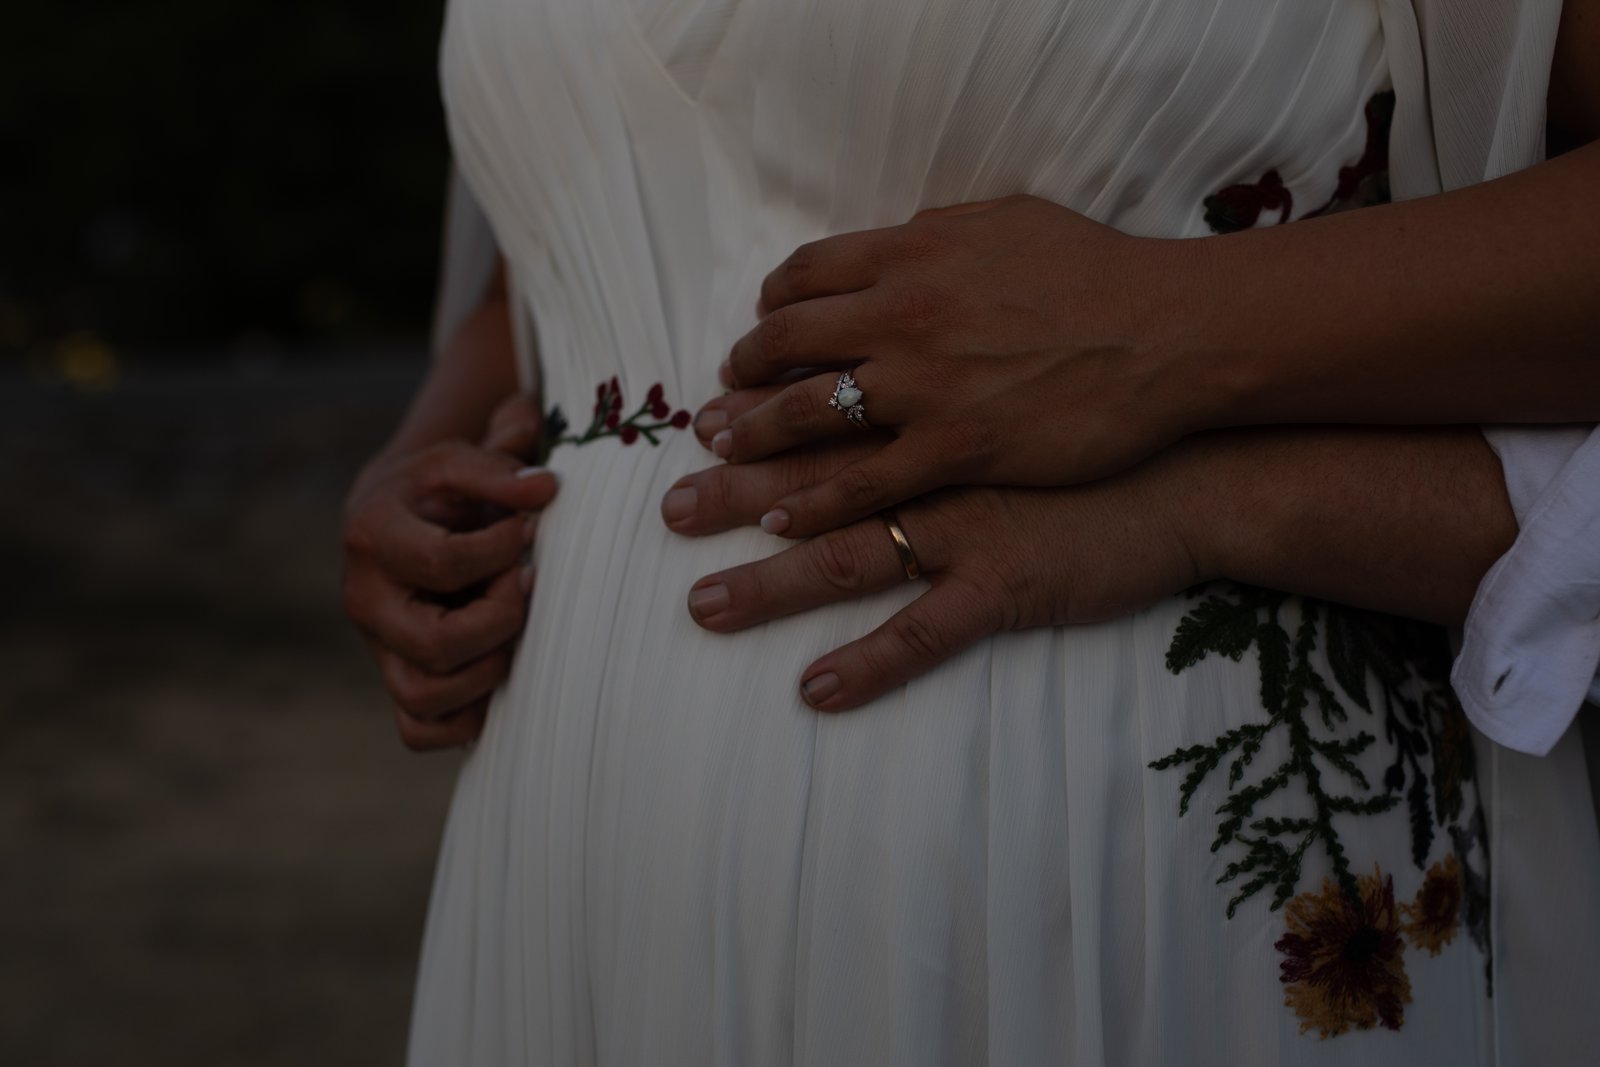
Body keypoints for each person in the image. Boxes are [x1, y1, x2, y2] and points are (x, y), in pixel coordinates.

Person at [341, 0, 1600, 1061]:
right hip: (564, 852)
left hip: (1108, 870)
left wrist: (1170, 329)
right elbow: (563, 231)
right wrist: (429, 448)